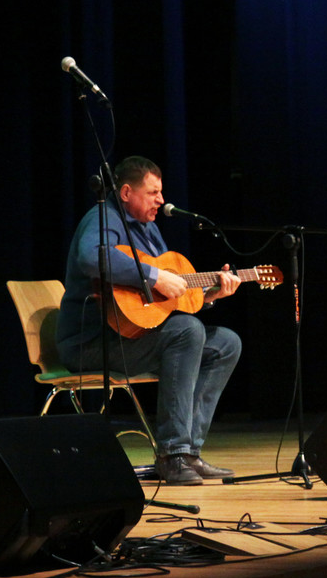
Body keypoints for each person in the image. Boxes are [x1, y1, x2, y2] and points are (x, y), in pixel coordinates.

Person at [57, 156, 242, 485]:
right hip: (92, 343)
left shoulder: (149, 229)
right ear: (126, 192)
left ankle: (188, 453)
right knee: (186, 331)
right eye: (153, 192)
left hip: (133, 336)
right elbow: (92, 256)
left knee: (226, 343)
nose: (161, 200)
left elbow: (163, 300)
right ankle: (172, 454)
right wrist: (155, 276)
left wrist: (209, 295)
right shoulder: (103, 217)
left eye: (161, 192)